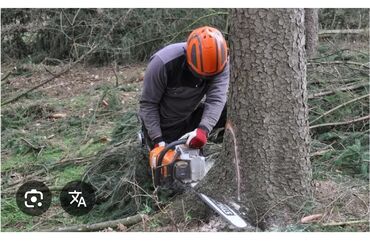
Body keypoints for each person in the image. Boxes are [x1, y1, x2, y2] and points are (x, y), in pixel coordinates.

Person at [139, 26, 229, 155]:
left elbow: (216, 99)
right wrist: (157, 139)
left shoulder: (222, 62)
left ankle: (221, 147)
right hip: (164, 124)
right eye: (200, 75)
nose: (204, 79)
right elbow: (148, 104)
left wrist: (203, 129)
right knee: (172, 166)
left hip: (190, 115)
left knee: (230, 111)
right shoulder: (163, 63)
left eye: (209, 76)